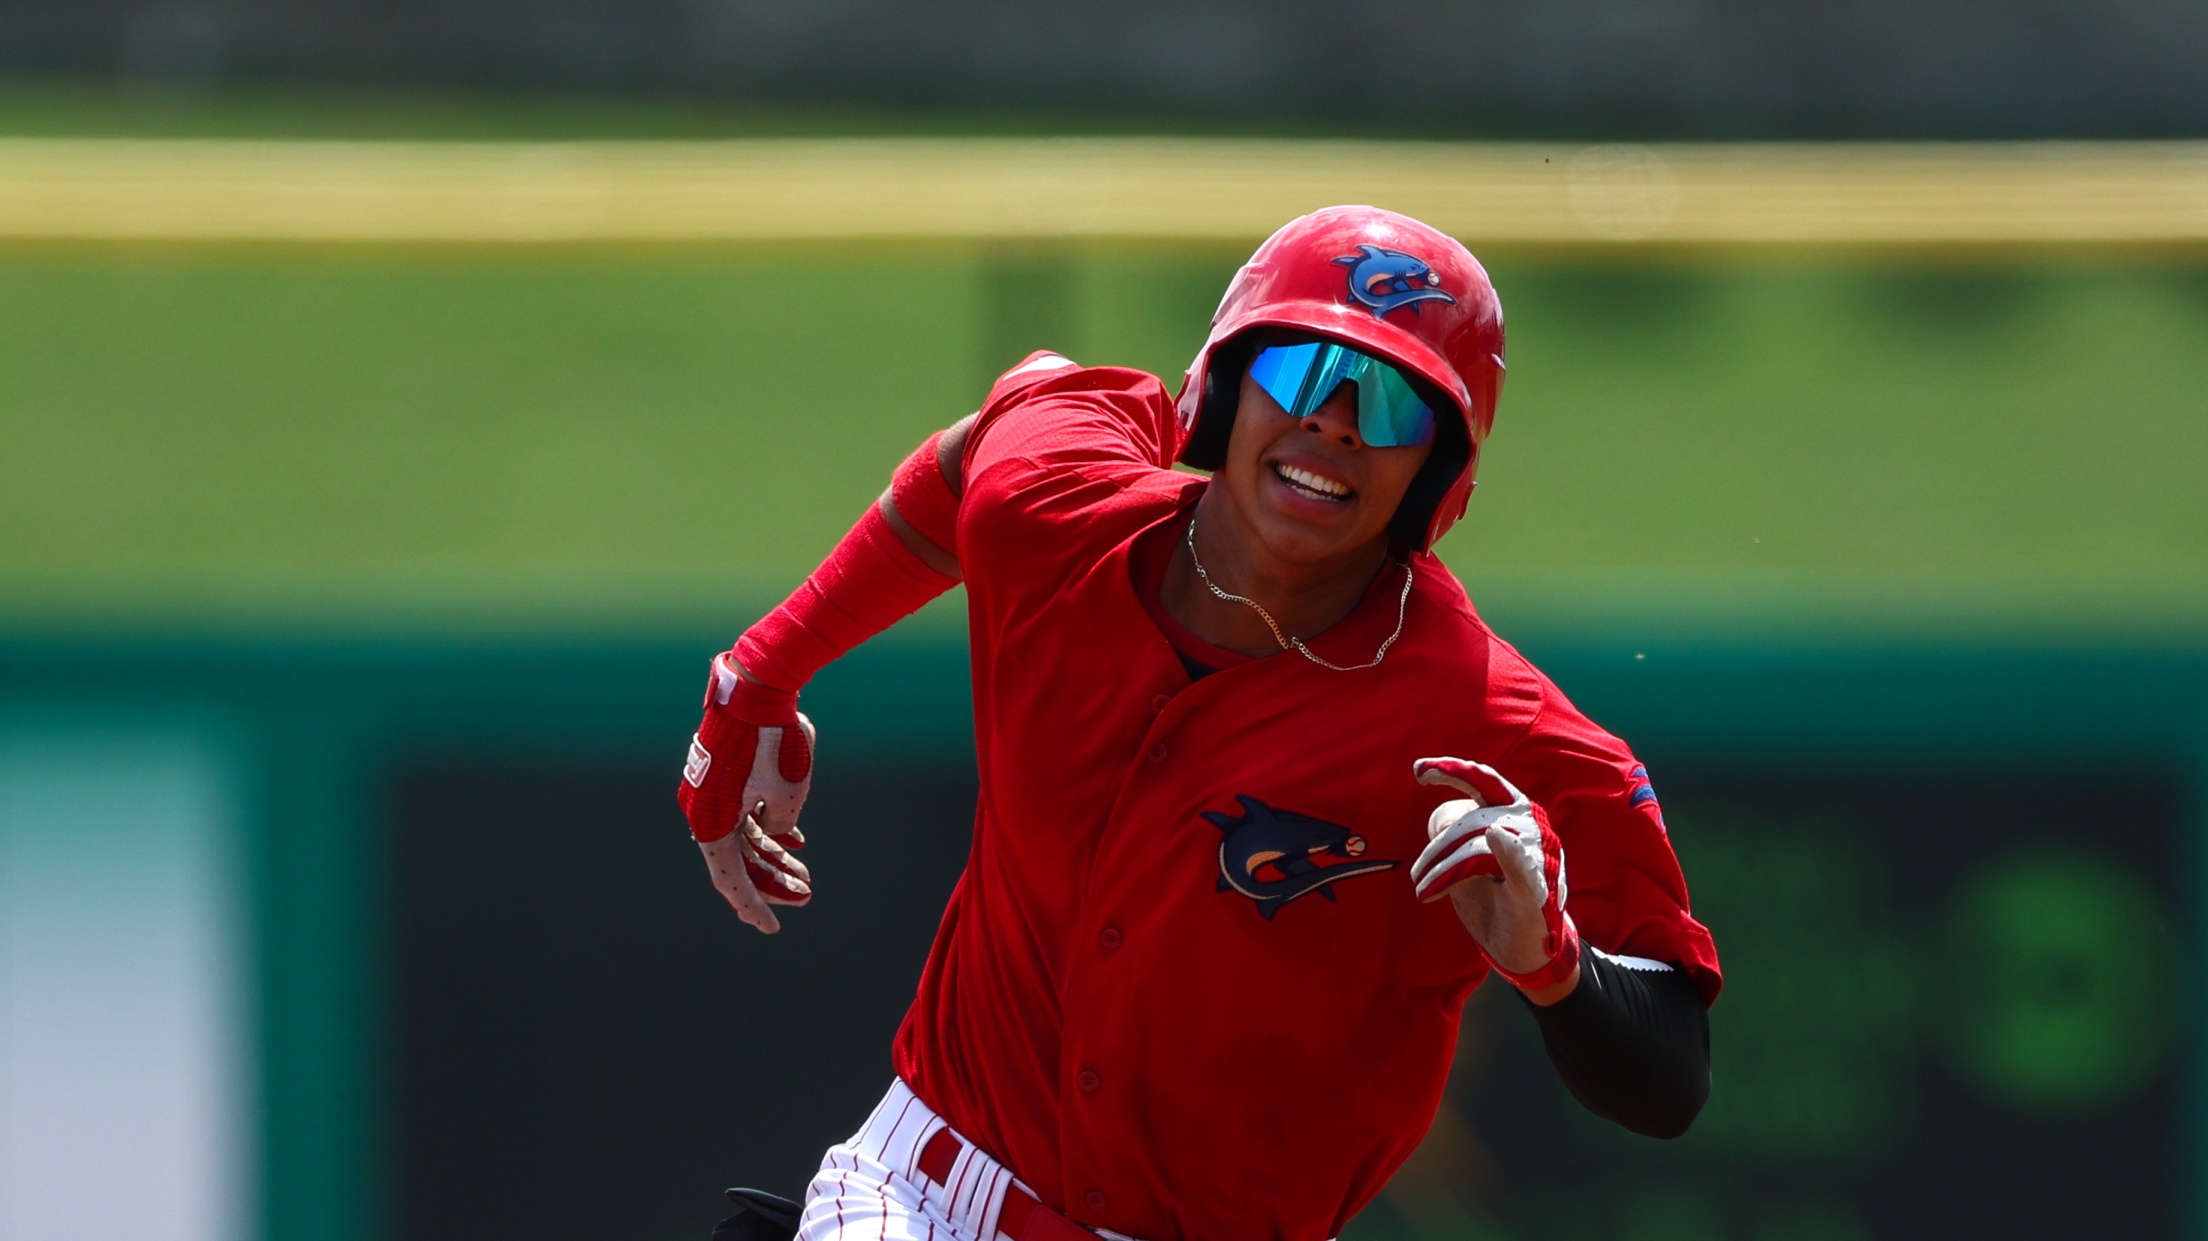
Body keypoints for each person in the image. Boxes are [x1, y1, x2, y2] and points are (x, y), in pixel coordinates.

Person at [678, 206, 1722, 1241]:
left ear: (1439, 469)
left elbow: (1671, 1073)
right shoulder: (1061, 511)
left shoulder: (1486, 719)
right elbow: (984, 443)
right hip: (923, 1195)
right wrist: (767, 665)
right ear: (1225, 385)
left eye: (1393, 403)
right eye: (1304, 370)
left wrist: (1555, 967)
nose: (1336, 421)